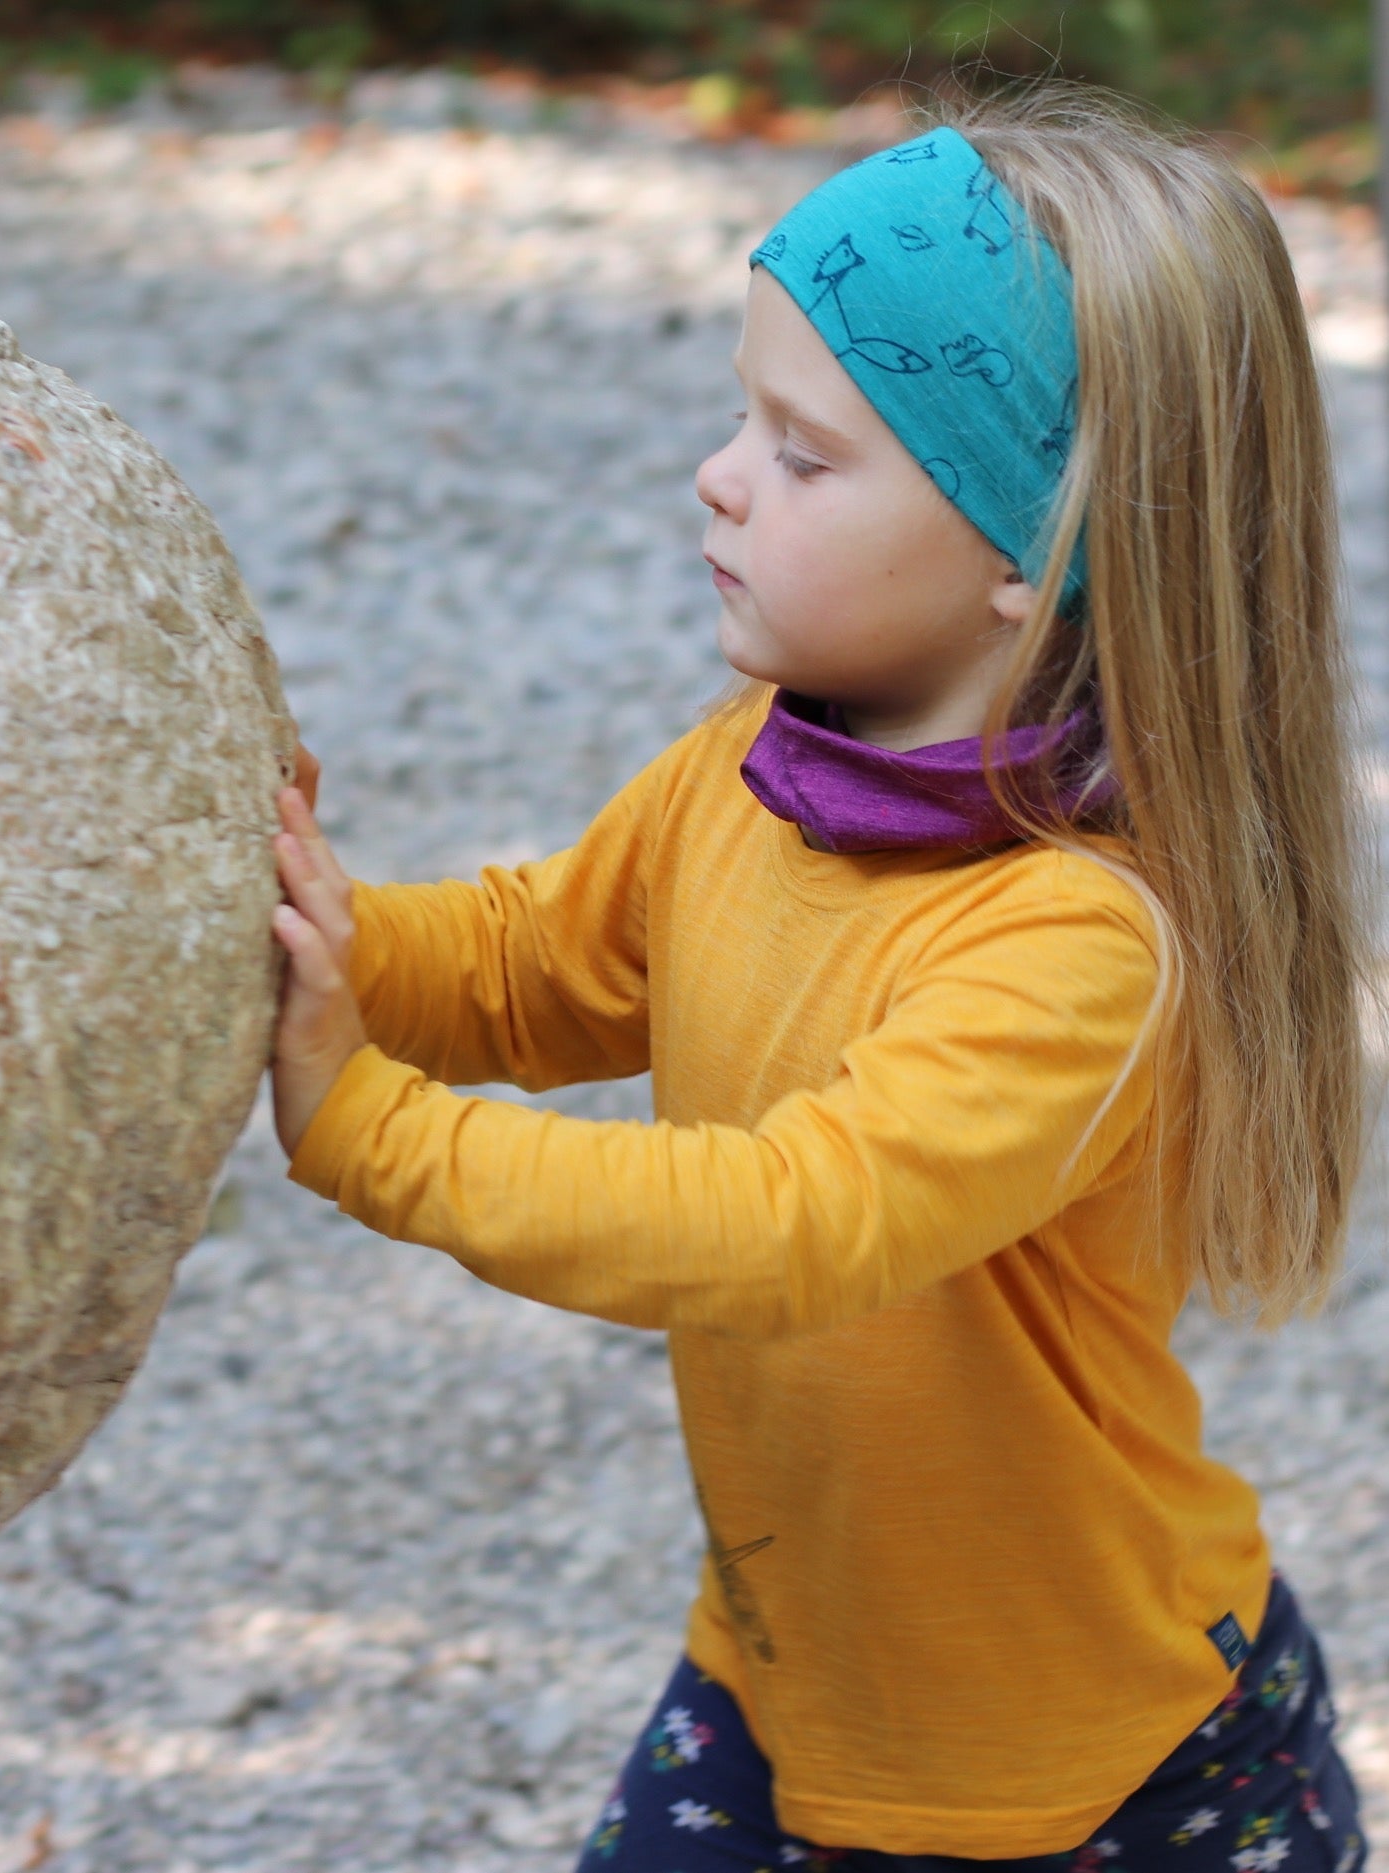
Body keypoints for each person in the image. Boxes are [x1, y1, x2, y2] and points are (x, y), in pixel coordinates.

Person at [265, 79, 1374, 1873]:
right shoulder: (753, 770)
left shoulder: (1081, 939)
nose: (717, 471)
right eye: (742, 416)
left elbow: (796, 1220)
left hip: (1094, 1783)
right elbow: (531, 963)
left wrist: (371, 1132)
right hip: (785, 1681)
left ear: (1029, 550)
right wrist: (303, 928)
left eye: (804, 450)